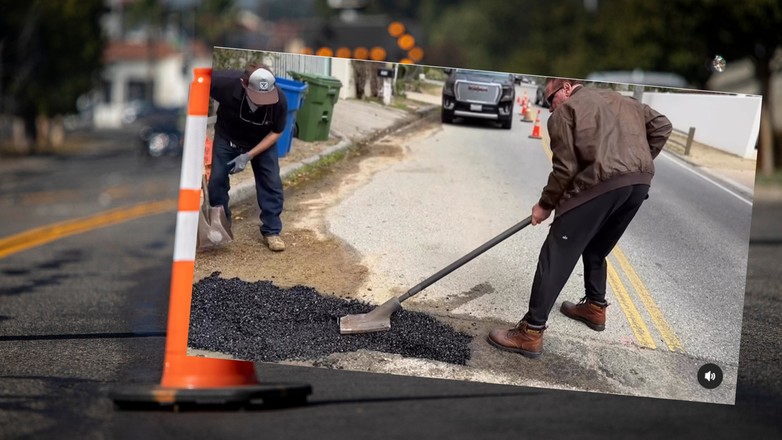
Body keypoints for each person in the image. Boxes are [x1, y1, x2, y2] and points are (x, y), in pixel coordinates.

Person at [487, 77, 672, 358]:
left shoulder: (566, 111)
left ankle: (530, 332)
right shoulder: (623, 100)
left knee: (556, 254)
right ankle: (595, 308)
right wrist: (640, 160)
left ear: (566, 88)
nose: (550, 109)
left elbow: (565, 169)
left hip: (600, 185)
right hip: (638, 184)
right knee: (597, 248)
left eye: (550, 100)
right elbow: (662, 126)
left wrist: (544, 205)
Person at [208, 63, 288, 251]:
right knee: (216, 181)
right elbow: (195, 85)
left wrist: (248, 156)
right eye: (257, 97)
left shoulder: (279, 100)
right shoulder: (222, 83)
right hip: (227, 137)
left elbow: (277, 131)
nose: (261, 102)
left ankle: (272, 231)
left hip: (261, 141)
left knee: (271, 183)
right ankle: (221, 226)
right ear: (244, 84)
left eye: (265, 97)